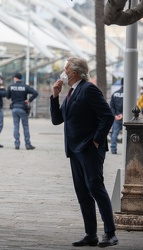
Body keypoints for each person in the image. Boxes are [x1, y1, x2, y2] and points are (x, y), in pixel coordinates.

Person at [50, 57, 118, 247]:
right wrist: (55, 95)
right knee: (82, 192)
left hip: (89, 148)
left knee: (95, 187)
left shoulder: (88, 89)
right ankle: (91, 234)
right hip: (74, 149)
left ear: (75, 72)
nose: (63, 72)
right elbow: (57, 120)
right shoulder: (71, 92)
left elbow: (107, 116)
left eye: (66, 69)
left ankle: (110, 233)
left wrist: (96, 141)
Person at [6, 73, 38, 150]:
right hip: (23, 108)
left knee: (16, 126)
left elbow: (7, 96)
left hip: (14, 108)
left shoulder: (11, 86)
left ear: (15, 78)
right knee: (25, 127)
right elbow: (35, 93)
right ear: (21, 78)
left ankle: (17, 144)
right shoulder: (25, 86)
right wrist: (29, 100)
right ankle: (27, 144)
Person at [109, 78, 123, 154]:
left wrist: (115, 115)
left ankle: (113, 149)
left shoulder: (115, 93)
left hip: (117, 116)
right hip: (126, 116)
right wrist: (123, 114)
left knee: (115, 133)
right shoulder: (128, 94)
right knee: (129, 133)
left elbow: (111, 106)